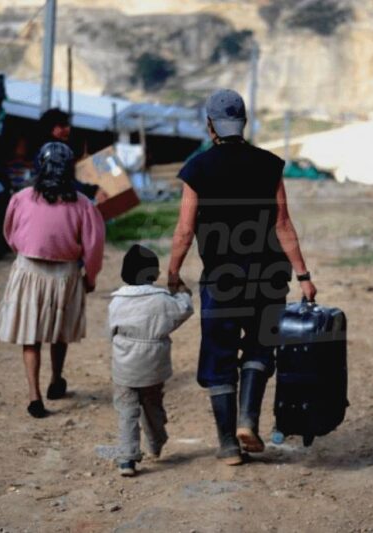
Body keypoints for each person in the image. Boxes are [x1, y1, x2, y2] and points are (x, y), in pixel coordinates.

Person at [167, 89, 317, 465]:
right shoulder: (269, 165)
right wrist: (304, 275)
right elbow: (283, 224)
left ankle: (228, 446)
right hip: (268, 278)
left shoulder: (197, 169)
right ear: (244, 122)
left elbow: (185, 230)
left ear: (210, 124)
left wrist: (172, 272)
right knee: (260, 348)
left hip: (222, 281)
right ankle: (248, 420)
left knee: (219, 355)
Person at [0, 142, 106, 418]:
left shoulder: (21, 198)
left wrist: (25, 253)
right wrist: (90, 277)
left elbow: (10, 233)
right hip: (65, 274)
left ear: (39, 168)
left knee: (30, 336)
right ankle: (56, 380)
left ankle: (35, 396)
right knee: (59, 331)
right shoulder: (83, 205)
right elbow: (94, 246)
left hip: (28, 270)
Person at [107, 245, 194, 476]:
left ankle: (127, 459)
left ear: (125, 274)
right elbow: (183, 310)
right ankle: (156, 442)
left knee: (127, 410)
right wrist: (183, 292)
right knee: (152, 404)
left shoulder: (117, 301)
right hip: (153, 365)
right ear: (155, 274)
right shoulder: (162, 300)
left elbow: (111, 331)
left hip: (124, 365)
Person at [37, 108, 104, 201]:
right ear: (52, 128)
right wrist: (93, 190)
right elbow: (61, 181)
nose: (68, 129)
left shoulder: (49, 149)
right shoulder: (52, 151)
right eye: (63, 125)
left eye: (67, 125)